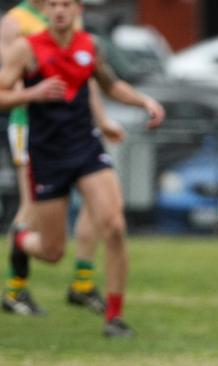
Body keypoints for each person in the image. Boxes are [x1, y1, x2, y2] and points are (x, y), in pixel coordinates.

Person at [0, 0, 164, 336]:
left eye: (66, 4)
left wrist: (144, 101)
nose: (60, 11)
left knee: (115, 225)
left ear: (78, 10)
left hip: (86, 149)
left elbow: (109, 85)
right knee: (51, 251)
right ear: (45, 11)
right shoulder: (26, 48)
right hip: (46, 156)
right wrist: (34, 92)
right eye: (53, 5)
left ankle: (114, 318)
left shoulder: (90, 46)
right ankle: (22, 240)